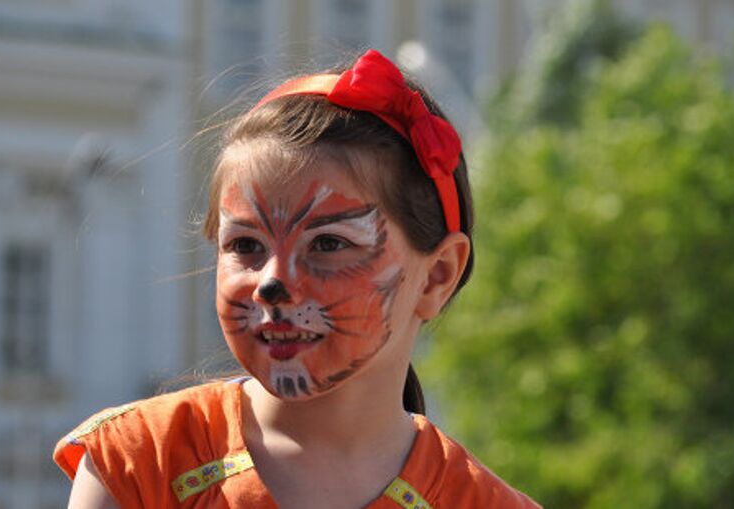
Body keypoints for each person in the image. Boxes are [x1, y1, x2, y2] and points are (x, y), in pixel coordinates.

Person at [54, 49, 541, 508]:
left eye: (328, 244)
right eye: (245, 245)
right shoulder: (140, 463)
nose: (273, 283)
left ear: (436, 276)